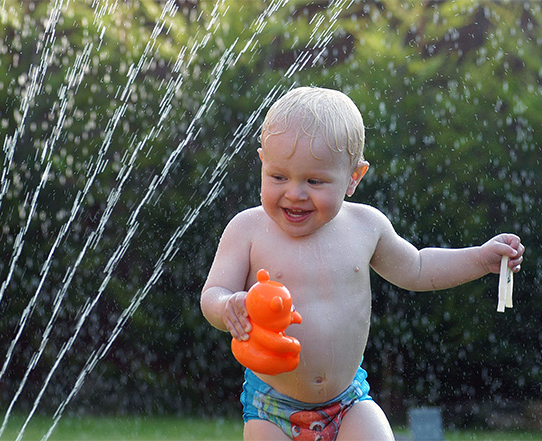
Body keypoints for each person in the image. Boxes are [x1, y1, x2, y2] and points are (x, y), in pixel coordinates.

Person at [200, 86, 525, 441]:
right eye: (279, 177)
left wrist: (479, 258)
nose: (294, 192)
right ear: (263, 162)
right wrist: (228, 305)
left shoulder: (366, 227)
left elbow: (417, 267)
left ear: (354, 178)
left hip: (348, 401)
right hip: (271, 407)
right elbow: (214, 293)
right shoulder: (247, 230)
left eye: (314, 180)